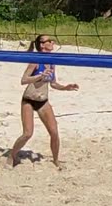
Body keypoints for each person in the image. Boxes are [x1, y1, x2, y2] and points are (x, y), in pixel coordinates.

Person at [10, 34, 78, 169]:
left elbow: (53, 83)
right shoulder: (35, 61)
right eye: (49, 41)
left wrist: (65, 87)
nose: (53, 42)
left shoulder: (52, 61)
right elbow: (23, 80)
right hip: (29, 100)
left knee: (54, 132)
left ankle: (56, 160)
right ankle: (11, 156)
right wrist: (39, 76)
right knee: (28, 133)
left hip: (43, 101)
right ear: (42, 45)